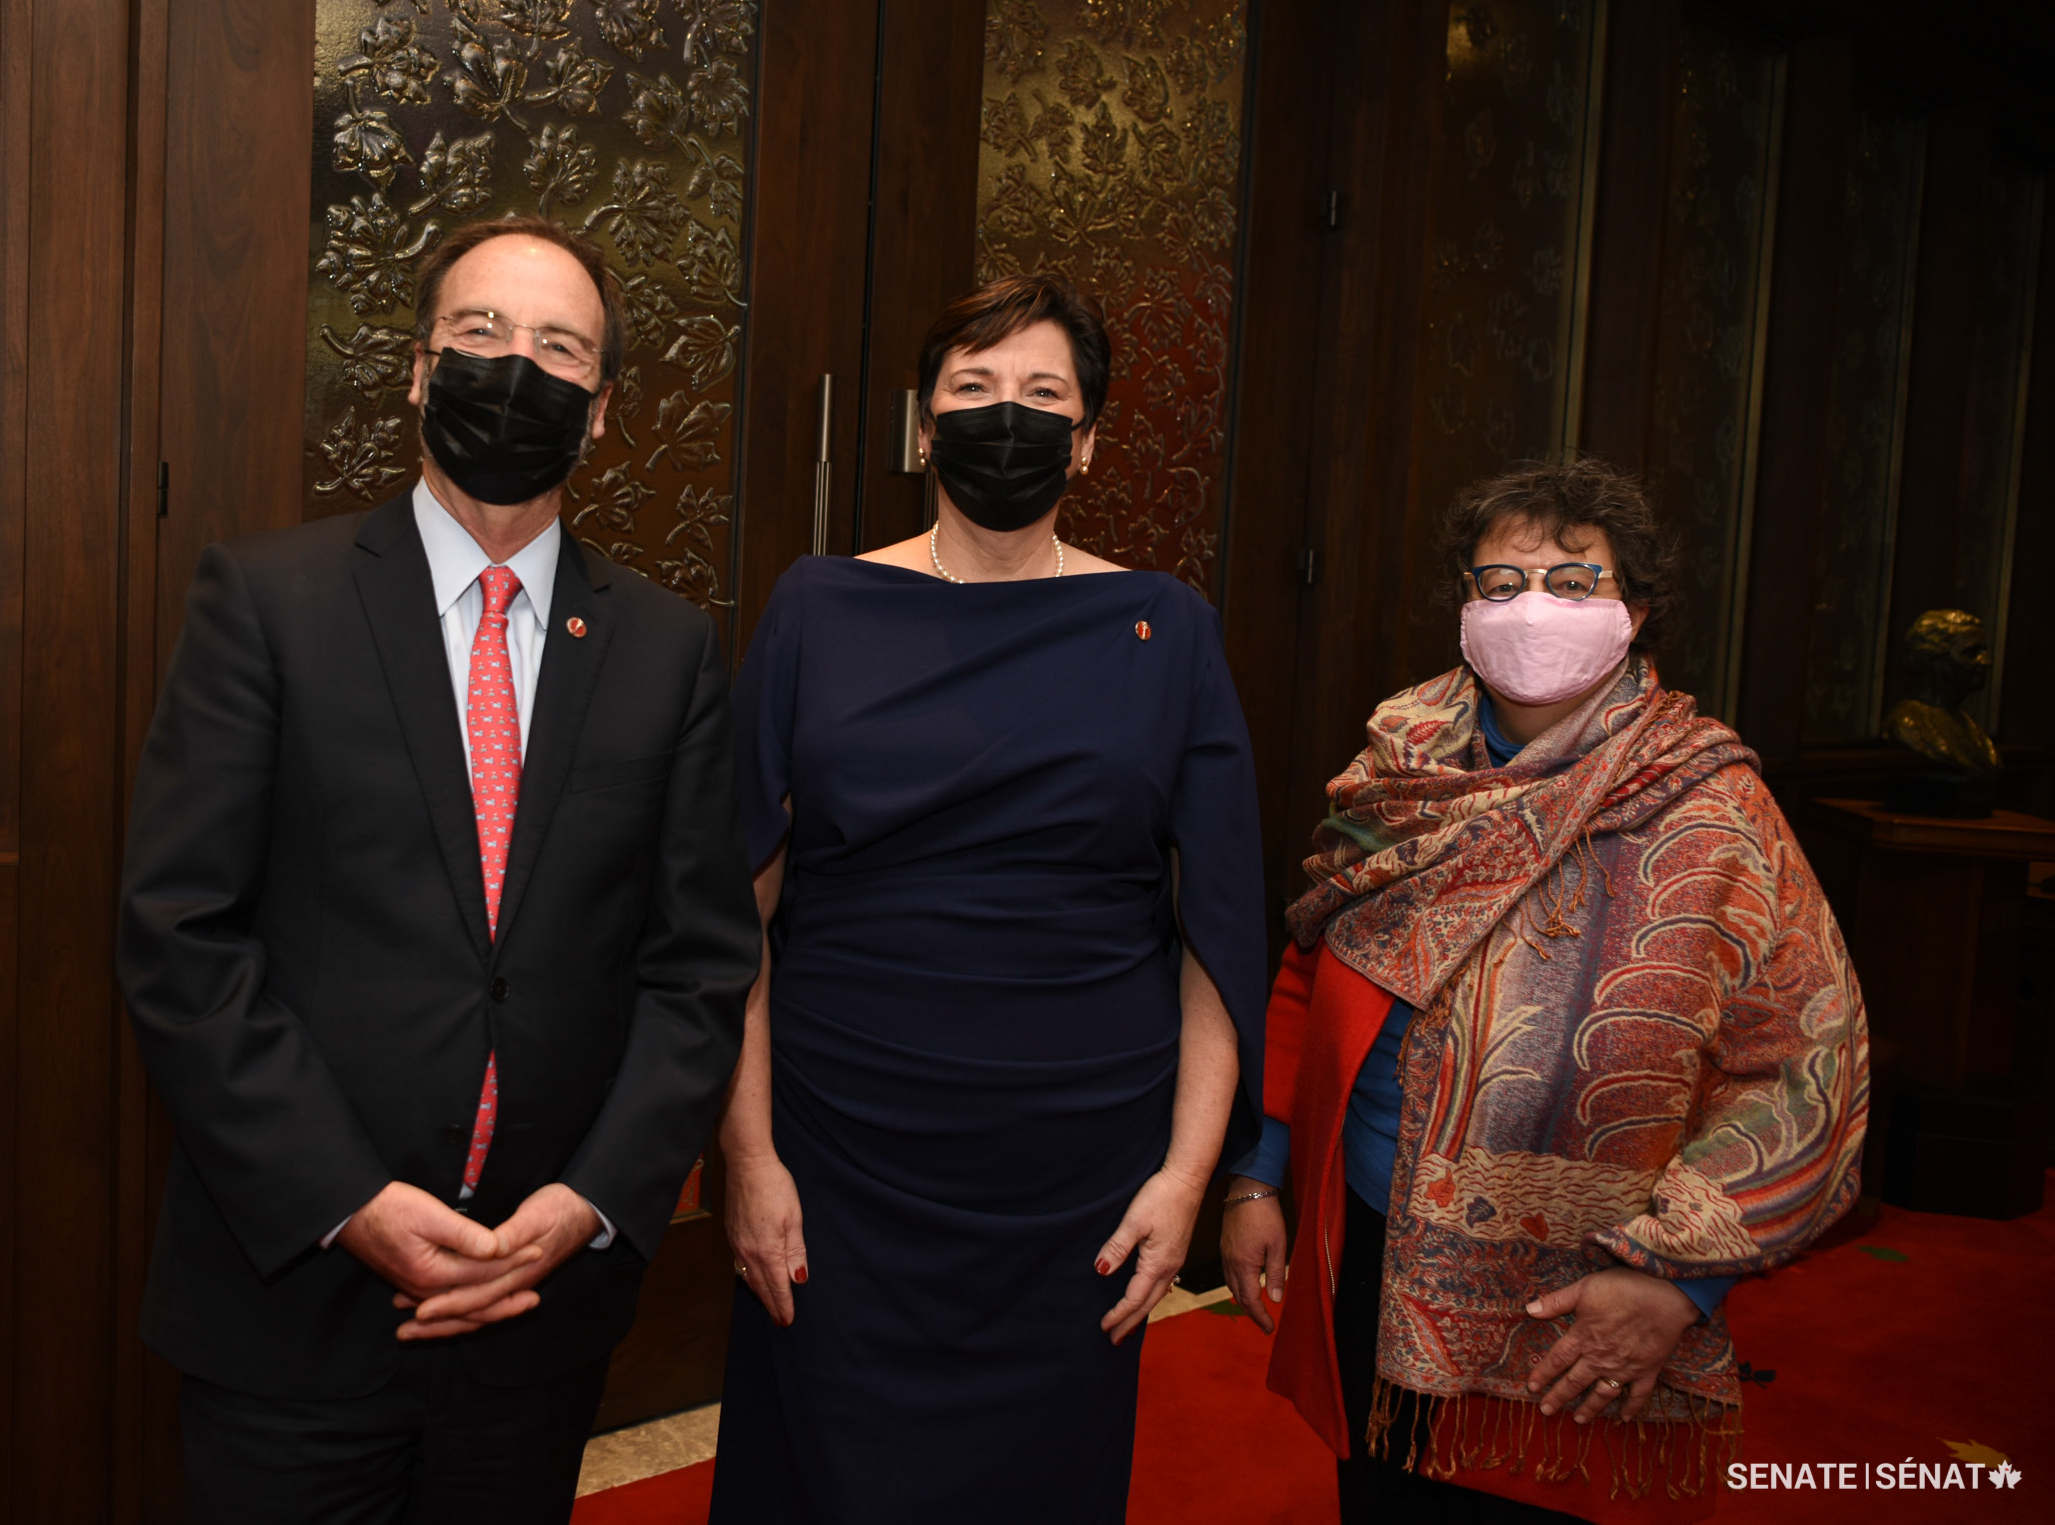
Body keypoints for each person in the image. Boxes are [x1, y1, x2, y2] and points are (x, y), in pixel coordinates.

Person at [116, 215, 760, 1524]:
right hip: (292, 1299)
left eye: (558, 347)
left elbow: (696, 965)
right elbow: (180, 932)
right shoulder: (266, 599)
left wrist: (591, 1204)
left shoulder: (666, 648)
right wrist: (344, 1198)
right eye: (480, 333)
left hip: (540, 1307)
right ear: (417, 371)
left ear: (599, 411)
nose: (514, 366)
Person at [708, 274, 1270, 1524]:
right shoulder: (817, 605)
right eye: (971, 389)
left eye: (1039, 394)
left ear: (1086, 439)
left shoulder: (1163, 627)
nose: (1001, 417)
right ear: (921, 427)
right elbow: (729, 914)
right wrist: (745, 1155)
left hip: (1076, 1178)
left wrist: (1187, 1176)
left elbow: (1216, 933)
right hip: (840, 1154)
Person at [1219, 456, 1869, 1524]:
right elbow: (1311, 964)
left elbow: (1808, 1068)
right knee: (1378, 1495)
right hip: (1368, 1238)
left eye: (1573, 583)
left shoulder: (1711, 812)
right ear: (1464, 606)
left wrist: (1676, 1279)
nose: (1532, 608)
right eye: (1500, 581)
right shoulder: (1399, 769)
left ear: (1636, 610)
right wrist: (1260, 1175)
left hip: (1579, 1286)